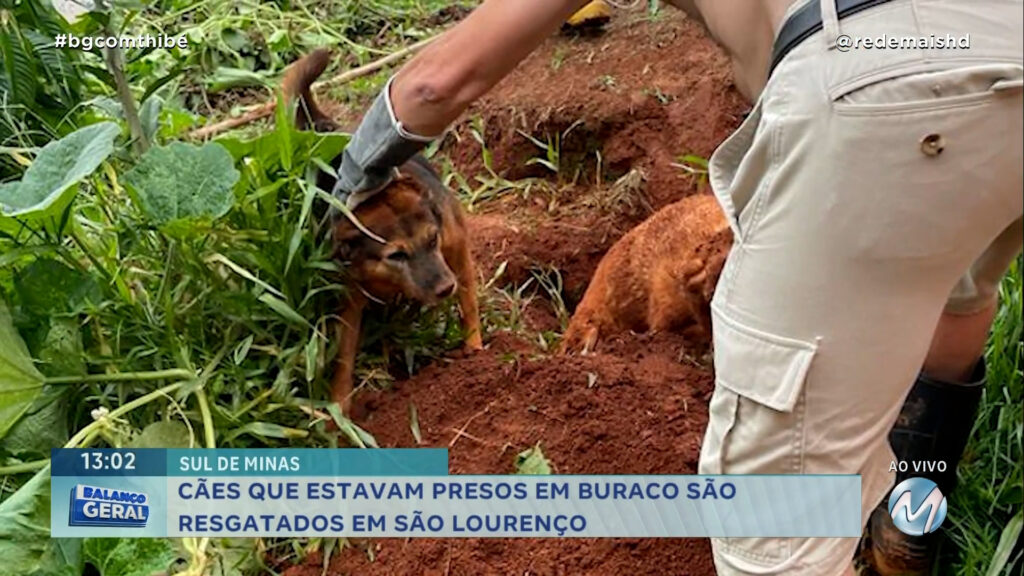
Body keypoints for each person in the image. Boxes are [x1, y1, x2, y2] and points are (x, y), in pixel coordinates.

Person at [330, 1, 1024, 574]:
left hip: (877, 89)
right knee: (958, 293)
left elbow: (434, 84)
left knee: (772, 514)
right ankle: (909, 543)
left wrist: (342, 182)